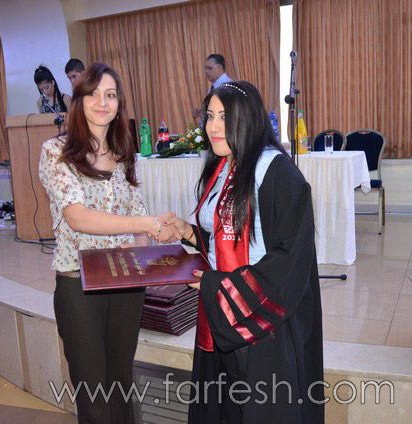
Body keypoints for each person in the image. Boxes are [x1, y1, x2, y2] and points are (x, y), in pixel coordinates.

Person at [170, 81, 324, 423]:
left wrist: (217, 286)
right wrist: (188, 232)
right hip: (222, 313)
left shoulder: (277, 172)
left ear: (248, 119)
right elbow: (224, 237)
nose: (213, 127)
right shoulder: (223, 166)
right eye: (209, 116)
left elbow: (289, 258)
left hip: (264, 323)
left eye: (224, 117)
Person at [39, 62, 181, 423]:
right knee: (93, 389)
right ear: (78, 100)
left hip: (125, 281)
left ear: (119, 104)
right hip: (79, 284)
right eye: (93, 94)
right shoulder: (56, 151)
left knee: (120, 381)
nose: (102, 102)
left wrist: (155, 245)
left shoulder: (123, 152)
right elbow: (78, 217)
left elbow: (137, 212)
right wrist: (146, 224)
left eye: (111, 95)